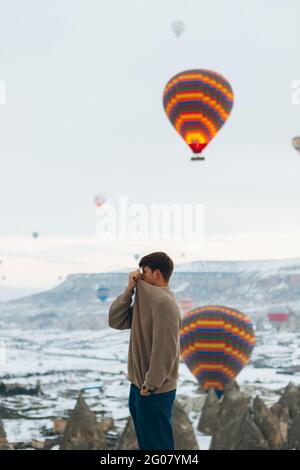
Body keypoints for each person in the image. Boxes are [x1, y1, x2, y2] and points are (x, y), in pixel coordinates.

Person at [108, 251, 181, 450]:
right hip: (139, 386)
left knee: (158, 448)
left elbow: (165, 351)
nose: (139, 275)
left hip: (154, 391)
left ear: (157, 273)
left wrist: (150, 385)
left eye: (144, 271)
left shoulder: (164, 303)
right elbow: (115, 320)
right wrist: (128, 291)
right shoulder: (145, 300)